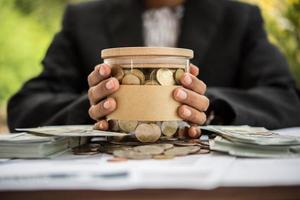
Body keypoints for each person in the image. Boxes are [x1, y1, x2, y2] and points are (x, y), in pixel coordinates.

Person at [7, 0, 300, 137]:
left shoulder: (240, 17)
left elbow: (287, 99)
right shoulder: (83, 18)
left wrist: (211, 108)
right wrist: (104, 105)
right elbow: (24, 106)